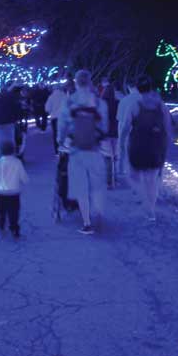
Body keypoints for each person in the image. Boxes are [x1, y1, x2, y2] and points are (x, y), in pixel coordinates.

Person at [58, 69, 108, 235]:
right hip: (94, 148)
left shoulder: (70, 102)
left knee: (80, 186)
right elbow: (104, 127)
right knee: (96, 184)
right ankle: (98, 212)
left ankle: (87, 222)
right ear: (90, 81)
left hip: (76, 149)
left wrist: (60, 141)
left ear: (76, 82)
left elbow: (62, 126)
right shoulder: (100, 103)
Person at [120, 75, 173, 222]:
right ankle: (151, 209)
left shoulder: (134, 105)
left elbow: (125, 128)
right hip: (157, 146)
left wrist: (121, 145)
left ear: (138, 88)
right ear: (151, 88)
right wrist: (166, 147)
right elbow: (168, 128)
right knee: (152, 179)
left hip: (138, 145)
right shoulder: (161, 105)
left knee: (133, 176)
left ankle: (147, 205)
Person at [0, 140, 28, 238]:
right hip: (14, 191)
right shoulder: (17, 162)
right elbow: (24, 177)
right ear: (13, 150)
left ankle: (2, 224)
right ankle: (14, 228)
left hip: (1, 191)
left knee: (2, 209)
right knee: (14, 210)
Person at [116, 78, 141, 182]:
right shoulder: (144, 98)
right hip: (141, 129)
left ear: (128, 87)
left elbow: (120, 118)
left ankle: (122, 169)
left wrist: (121, 135)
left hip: (126, 127)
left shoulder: (125, 100)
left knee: (123, 150)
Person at [0, 82, 22, 159]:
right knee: (10, 138)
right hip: (9, 121)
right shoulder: (11, 96)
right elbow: (16, 108)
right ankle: (11, 155)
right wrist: (16, 118)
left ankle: (2, 155)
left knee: (0, 139)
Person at [100, 81, 120, 189]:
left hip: (105, 133)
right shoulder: (117, 102)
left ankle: (108, 182)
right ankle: (115, 179)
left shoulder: (101, 103)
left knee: (107, 158)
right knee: (115, 157)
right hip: (115, 132)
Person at [45, 83, 68, 155]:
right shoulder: (64, 96)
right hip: (64, 117)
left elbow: (47, 108)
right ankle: (65, 149)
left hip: (54, 118)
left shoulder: (51, 97)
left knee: (56, 134)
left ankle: (57, 151)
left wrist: (51, 111)